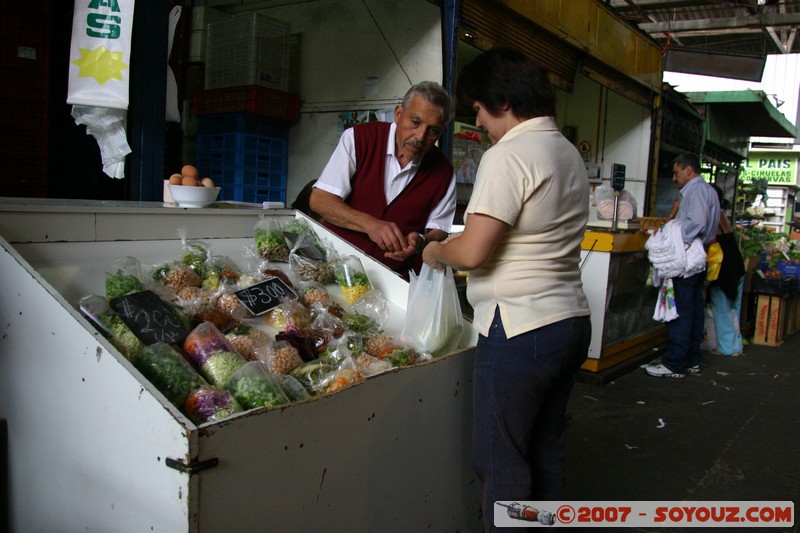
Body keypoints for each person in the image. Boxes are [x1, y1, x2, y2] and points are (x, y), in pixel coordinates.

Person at [420, 48, 591, 530]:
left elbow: (474, 252)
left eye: (477, 110)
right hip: (569, 322)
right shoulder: (566, 152)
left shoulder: (509, 154)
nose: (478, 122)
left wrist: (435, 253)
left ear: (501, 100)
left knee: (502, 462)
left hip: (520, 329)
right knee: (546, 452)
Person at [309, 81, 456, 277]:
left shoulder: (443, 172)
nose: (420, 136)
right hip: (332, 268)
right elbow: (319, 200)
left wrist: (421, 241)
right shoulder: (359, 139)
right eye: (415, 122)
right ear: (398, 114)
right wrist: (369, 224)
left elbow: (440, 229)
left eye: (433, 130)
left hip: (393, 281)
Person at [644, 153, 720, 378]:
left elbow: (694, 224)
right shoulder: (708, 190)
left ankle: (674, 364)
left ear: (689, 170)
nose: (674, 177)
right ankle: (691, 360)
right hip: (699, 258)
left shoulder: (695, 191)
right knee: (694, 310)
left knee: (680, 312)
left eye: (677, 173)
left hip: (688, 259)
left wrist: (672, 240)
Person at [707, 186, 745, 356]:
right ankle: (735, 345)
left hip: (723, 268)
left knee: (722, 308)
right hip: (736, 264)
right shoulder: (721, 214)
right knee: (732, 308)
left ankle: (729, 348)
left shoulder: (713, 214)